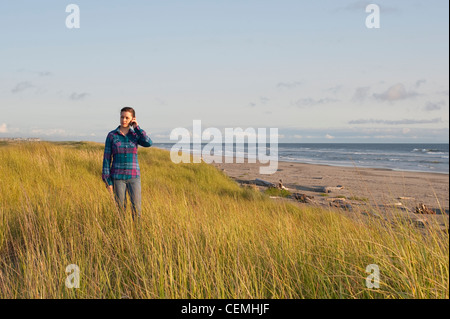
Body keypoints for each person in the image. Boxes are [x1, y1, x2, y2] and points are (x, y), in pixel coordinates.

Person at [102, 107, 152, 220]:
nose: (123, 120)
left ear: (132, 119)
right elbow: (106, 159)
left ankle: (137, 235)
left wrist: (137, 127)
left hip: (134, 177)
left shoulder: (135, 135)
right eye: (122, 117)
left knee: (137, 210)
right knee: (120, 211)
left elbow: (148, 143)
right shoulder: (112, 135)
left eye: (127, 117)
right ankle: (123, 234)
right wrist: (107, 180)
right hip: (117, 178)